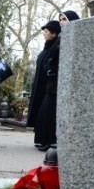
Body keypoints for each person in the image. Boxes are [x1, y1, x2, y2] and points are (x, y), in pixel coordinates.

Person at [27, 20, 61, 151]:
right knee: (41, 113)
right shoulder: (47, 46)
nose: (44, 34)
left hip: (48, 84)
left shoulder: (56, 46)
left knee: (46, 114)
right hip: (40, 84)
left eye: (46, 31)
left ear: (54, 33)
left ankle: (48, 140)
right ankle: (41, 139)